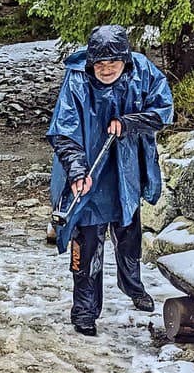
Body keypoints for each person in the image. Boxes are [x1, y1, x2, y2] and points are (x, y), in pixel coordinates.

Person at [47, 23, 174, 336]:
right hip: (89, 170)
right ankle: (85, 311)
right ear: (91, 62)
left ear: (125, 60)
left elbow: (163, 109)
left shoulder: (142, 71)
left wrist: (130, 122)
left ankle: (133, 285)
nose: (106, 70)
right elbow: (64, 131)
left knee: (129, 236)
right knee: (86, 244)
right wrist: (77, 171)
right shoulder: (77, 79)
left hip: (125, 171)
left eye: (112, 64)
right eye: (100, 64)